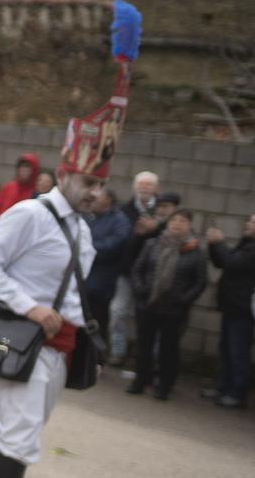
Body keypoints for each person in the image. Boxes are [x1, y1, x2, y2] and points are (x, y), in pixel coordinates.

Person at [0, 6, 134, 478]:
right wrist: (30, 307)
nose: (95, 192)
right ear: (64, 173)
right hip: (24, 336)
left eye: (101, 184)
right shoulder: (33, 215)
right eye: (89, 181)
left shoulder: (81, 226)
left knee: (20, 429)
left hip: (59, 346)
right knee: (20, 432)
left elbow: (77, 295)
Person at [125, 208, 206, 401]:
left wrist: (184, 300)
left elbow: (200, 282)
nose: (177, 224)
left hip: (174, 309)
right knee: (144, 344)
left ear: (190, 226)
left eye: (183, 221)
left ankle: (164, 385)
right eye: (174, 220)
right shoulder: (153, 244)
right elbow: (138, 269)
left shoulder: (195, 252)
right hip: (149, 303)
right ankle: (140, 380)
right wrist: (140, 289)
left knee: (168, 348)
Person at [107, 169, 161, 362]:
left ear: (156, 189)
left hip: (152, 275)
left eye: (148, 185)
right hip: (126, 270)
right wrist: (138, 234)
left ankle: (147, 356)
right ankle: (118, 351)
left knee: (148, 318)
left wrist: (156, 229)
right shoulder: (124, 210)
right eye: (141, 184)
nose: (144, 188)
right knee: (117, 311)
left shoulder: (162, 211)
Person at [205, 213, 255, 409]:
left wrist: (219, 243)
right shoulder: (247, 243)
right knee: (226, 349)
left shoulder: (254, 249)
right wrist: (213, 245)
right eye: (250, 221)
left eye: (254, 223)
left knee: (237, 351)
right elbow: (221, 262)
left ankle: (237, 393)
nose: (249, 225)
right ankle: (223, 387)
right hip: (232, 306)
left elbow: (233, 263)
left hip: (242, 309)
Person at [81, 185, 131, 343]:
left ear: (108, 199)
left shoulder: (119, 220)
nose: (92, 199)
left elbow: (112, 246)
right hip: (82, 281)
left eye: (97, 196)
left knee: (97, 325)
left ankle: (97, 362)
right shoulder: (86, 216)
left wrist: (85, 247)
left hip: (102, 283)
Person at [0, 151, 41, 235]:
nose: (24, 170)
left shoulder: (35, 195)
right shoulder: (8, 188)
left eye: (27, 168)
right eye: (21, 167)